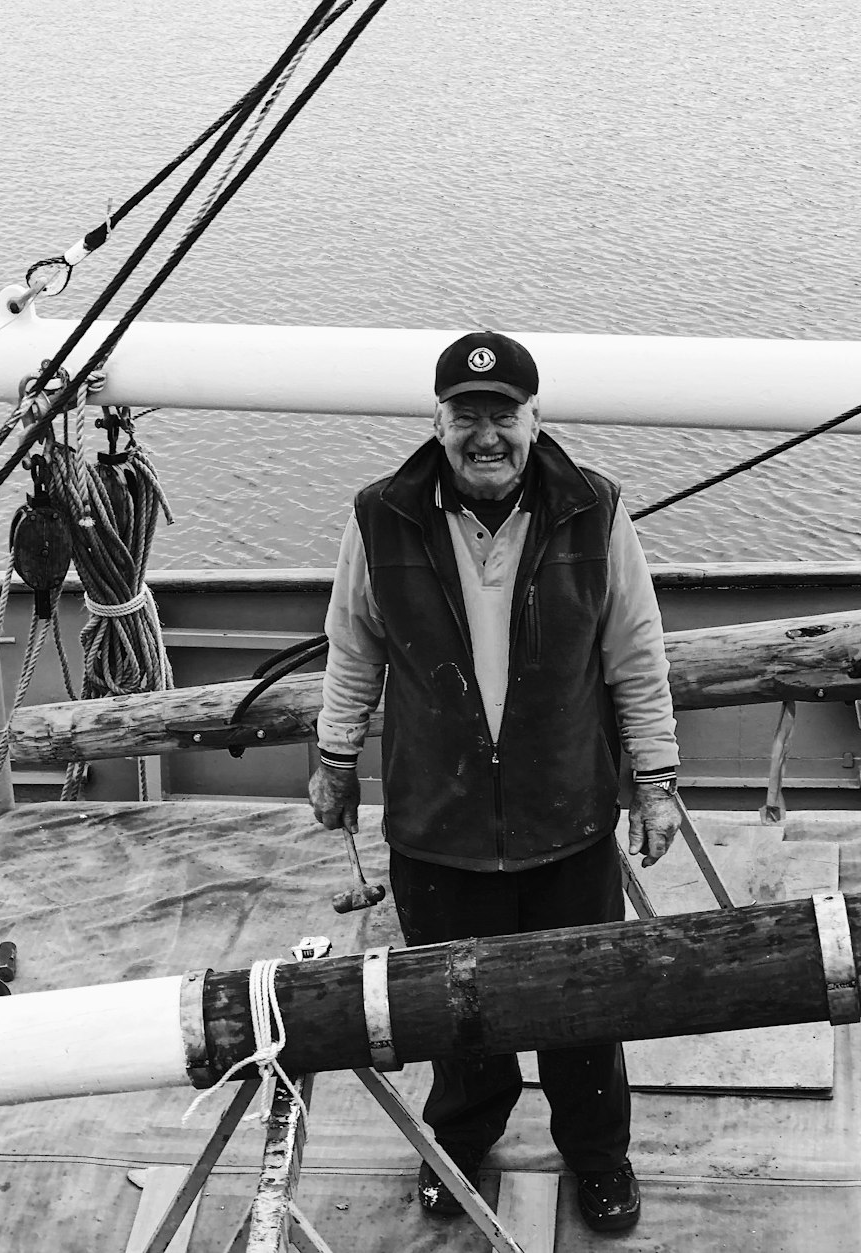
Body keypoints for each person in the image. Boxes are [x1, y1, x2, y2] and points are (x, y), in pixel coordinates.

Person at [308, 331, 683, 1234]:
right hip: (438, 829)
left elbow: (636, 654)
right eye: (466, 415)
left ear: (534, 418)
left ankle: (598, 1159)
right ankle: (458, 1148)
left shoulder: (595, 511)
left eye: (503, 415)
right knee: (453, 1016)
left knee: (583, 1013)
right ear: (437, 422)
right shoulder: (379, 517)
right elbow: (353, 647)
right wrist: (332, 756)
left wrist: (658, 778)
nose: (487, 435)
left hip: (570, 823)